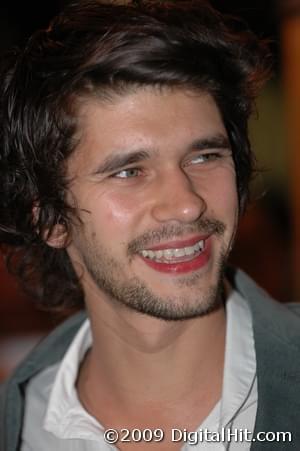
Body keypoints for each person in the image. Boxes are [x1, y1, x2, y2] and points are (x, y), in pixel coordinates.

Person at [0, 1, 299, 450]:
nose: (186, 205)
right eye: (128, 171)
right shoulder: (22, 428)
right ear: (50, 219)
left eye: (204, 156)